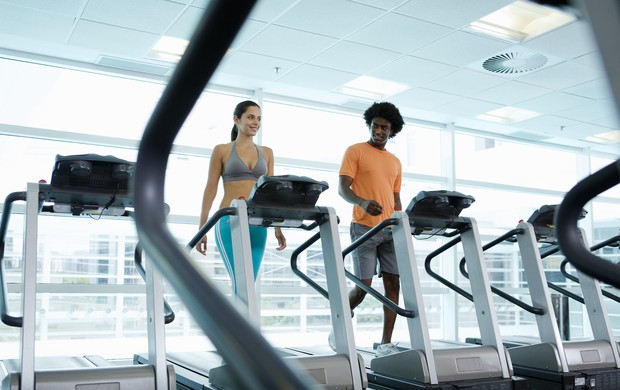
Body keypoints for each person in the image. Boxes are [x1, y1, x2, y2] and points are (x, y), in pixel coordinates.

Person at [336, 101, 405, 357]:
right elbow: (343, 188)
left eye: (384, 127)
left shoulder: (395, 161)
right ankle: (340, 323)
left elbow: (395, 198)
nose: (378, 131)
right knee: (363, 286)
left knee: (393, 285)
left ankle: (385, 343)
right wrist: (362, 202)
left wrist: (400, 219)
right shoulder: (355, 151)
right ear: (369, 125)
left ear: (392, 130)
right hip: (363, 228)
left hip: (389, 229)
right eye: (375, 125)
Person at [196, 100, 286, 292]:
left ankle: (238, 321)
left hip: (258, 222)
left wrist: (277, 227)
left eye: (259, 118)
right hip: (229, 220)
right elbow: (210, 189)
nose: (256, 122)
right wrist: (202, 229)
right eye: (250, 117)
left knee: (248, 284)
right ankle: (234, 322)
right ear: (236, 119)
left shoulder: (267, 153)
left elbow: (272, 194)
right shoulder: (222, 150)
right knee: (241, 281)